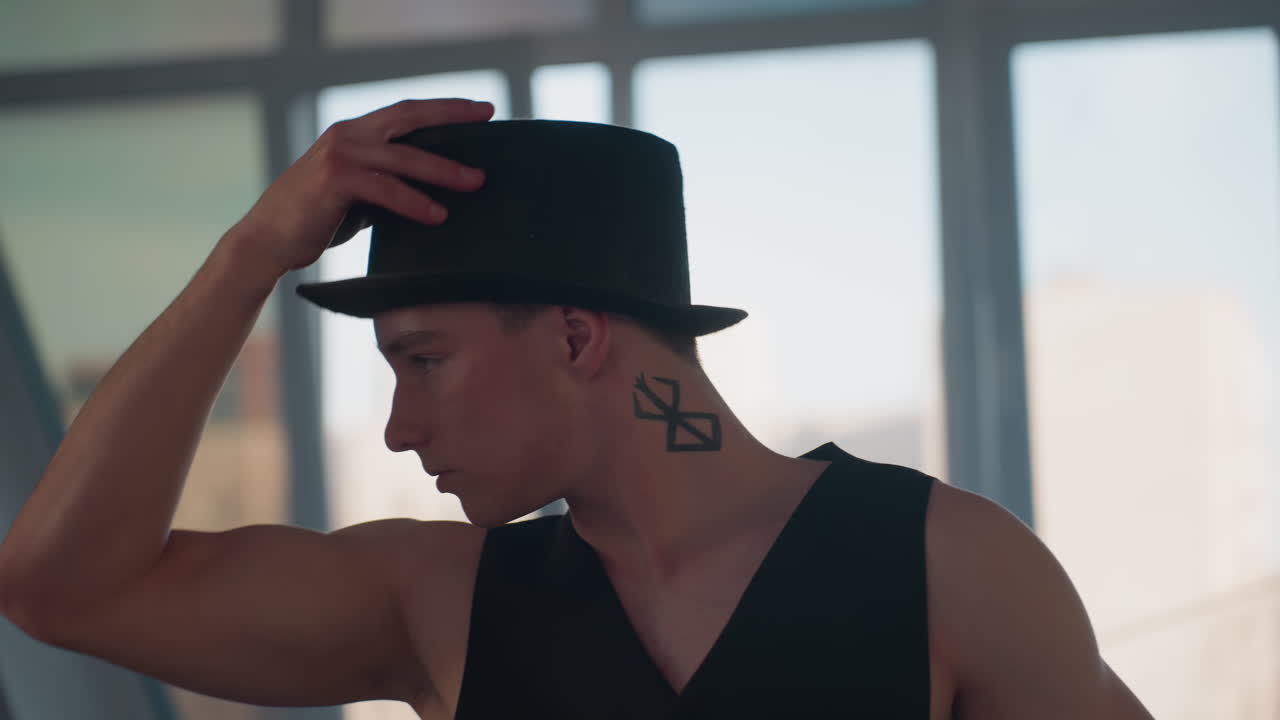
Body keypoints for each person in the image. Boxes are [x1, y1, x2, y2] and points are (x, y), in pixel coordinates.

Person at [0, 98, 1154, 719]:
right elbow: (61, 586)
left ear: (571, 336)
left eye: (422, 360)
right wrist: (249, 252)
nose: (399, 427)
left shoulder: (945, 564)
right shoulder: (439, 599)